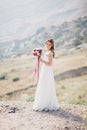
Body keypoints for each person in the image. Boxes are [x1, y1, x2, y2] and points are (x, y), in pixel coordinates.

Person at [33, 39, 59, 111]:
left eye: (49, 44)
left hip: (48, 71)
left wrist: (41, 60)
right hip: (44, 70)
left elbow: (50, 64)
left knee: (46, 84)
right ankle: (42, 102)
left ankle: (46, 104)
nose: (47, 46)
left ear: (52, 45)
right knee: (43, 85)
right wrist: (38, 55)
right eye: (46, 44)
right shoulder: (45, 52)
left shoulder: (50, 53)